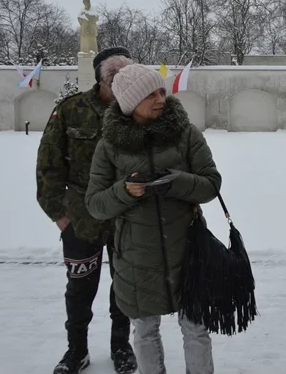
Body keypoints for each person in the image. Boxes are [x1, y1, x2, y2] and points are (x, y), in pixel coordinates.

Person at [85, 64, 221, 374]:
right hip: (136, 257)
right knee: (145, 332)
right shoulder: (109, 145)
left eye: (161, 91)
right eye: (150, 94)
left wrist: (179, 182)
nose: (160, 98)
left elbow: (211, 184)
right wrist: (124, 191)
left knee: (197, 329)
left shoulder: (185, 134)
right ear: (130, 102)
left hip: (188, 249)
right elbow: (95, 204)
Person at [36, 47, 137, 374]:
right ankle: (76, 350)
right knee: (80, 288)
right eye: (114, 77)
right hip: (82, 218)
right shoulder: (71, 109)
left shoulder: (140, 109)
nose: (122, 82)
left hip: (129, 216)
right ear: (100, 80)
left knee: (125, 286)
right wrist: (58, 214)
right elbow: (48, 162)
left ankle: (121, 346)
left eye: (126, 75)